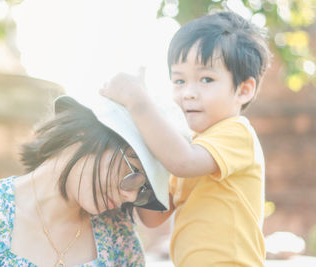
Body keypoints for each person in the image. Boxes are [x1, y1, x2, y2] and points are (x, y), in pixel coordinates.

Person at [0, 95, 183, 266]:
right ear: (85, 133)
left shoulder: (118, 235)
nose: (129, 196)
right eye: (133, 174)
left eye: (142, 191)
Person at [101, 11, 271, 266]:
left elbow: (182, 162)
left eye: (206, 79)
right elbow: (153, 217)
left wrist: (137, 101)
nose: (188, 93)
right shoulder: (189, 147)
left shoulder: (236, 132)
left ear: (243, 90)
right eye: (179, 80)